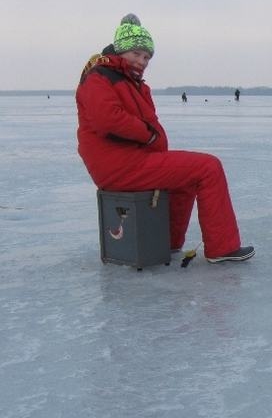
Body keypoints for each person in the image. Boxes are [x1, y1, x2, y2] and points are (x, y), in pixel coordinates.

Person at [76, 14, 254, 263]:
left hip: (132, 161)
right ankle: (223, 248)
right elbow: (107, 120)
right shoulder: (100, 78)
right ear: (121, 50)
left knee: (186, 180)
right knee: (208, 167)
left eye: (147, 57)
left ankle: (167, 242)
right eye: (136, 54)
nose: (142, 61)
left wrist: (154, 141)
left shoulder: (132, 82)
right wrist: (149, 135)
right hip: (119, 165)